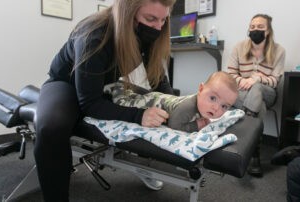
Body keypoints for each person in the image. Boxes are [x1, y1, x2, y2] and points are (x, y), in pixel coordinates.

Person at [35, 0, 177, 201]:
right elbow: (90, 103)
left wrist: (176, 106)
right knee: (50, 127)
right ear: (128, 12)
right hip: (65, 84)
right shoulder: (93, 34)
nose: (158, 27)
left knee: (152, 104)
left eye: (163, 19)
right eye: (151, 18)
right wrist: (139, 115)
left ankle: (144, 166)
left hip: (101, 86)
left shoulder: (148, 31)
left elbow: (158, 80)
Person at [227, 14, 286, 177]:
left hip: (268, 93)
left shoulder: (279, 50)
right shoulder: (238, 47)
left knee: (258, 88)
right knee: (258, 104)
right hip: (243, 94)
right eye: (252, 27)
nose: (255, 30)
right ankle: (255, 152)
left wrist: (256, 79)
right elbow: (230, 74)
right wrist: (243, 81)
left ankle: (246, 131)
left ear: (268, 31)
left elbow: (275, 80)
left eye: (260, 27)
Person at [112, 71, 239, 132]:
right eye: (212, 98)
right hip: (152, 101)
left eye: (224, 106)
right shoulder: (188, 107)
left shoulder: (203, 106)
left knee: (135, 96)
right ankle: (116, 87)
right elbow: (174, 124)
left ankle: (127, 89)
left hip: (160, 97)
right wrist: (196, 126)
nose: (216, 108)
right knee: (123, 103)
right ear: (200, 89)